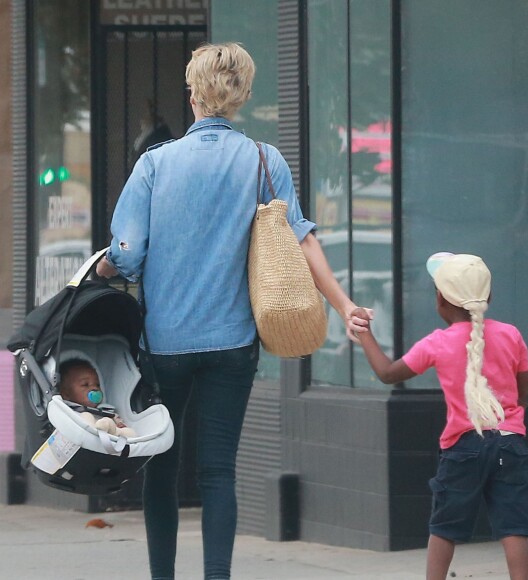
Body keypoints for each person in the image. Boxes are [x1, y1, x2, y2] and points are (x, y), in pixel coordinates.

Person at [96, 42, 371, 580]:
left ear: (193, 92)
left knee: (162, 465)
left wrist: (102, 271)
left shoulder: (155, 163)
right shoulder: (266, 160)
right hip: (234, 343)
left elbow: (127, 254)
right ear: (242, 95)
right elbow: (301, 239)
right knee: (219, 471)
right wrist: (343, 305)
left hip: (165, 344)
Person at [353, 252, 528, 580]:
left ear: (440, 299)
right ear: (489, 296)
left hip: (463, 447)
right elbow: (524, 391)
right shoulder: (511, 334)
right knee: (514, 527)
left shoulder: (437, 343)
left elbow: (387, 373)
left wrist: (364, 333)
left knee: (445, 526)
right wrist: (508, 420)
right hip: (510, 443)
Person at [59, 358, 135, 438]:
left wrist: (120, 426)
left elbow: (121, 424)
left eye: (97, 385)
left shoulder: (107, 411)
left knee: (130, 432)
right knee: (86, 416)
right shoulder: (69, 414)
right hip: (90, 439)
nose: (94, 388)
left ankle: (112, 431)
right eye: (85, 384)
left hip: (114, 439)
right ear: (66, 394)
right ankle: (94, 432)